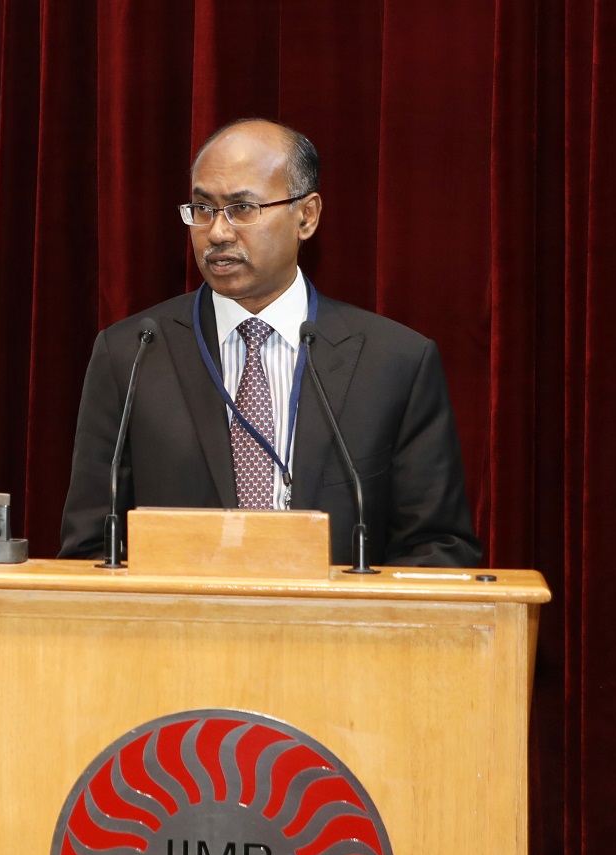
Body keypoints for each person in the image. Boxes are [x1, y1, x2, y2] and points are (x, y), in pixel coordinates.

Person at [58, 119, 482, 567]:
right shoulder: (131, 354)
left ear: (307, 215)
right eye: (203, 209)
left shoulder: (395, 362)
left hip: (338, 633)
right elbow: (90, 549)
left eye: (242, 208)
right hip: (181, 632)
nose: (218, 233)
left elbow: (439, 548)